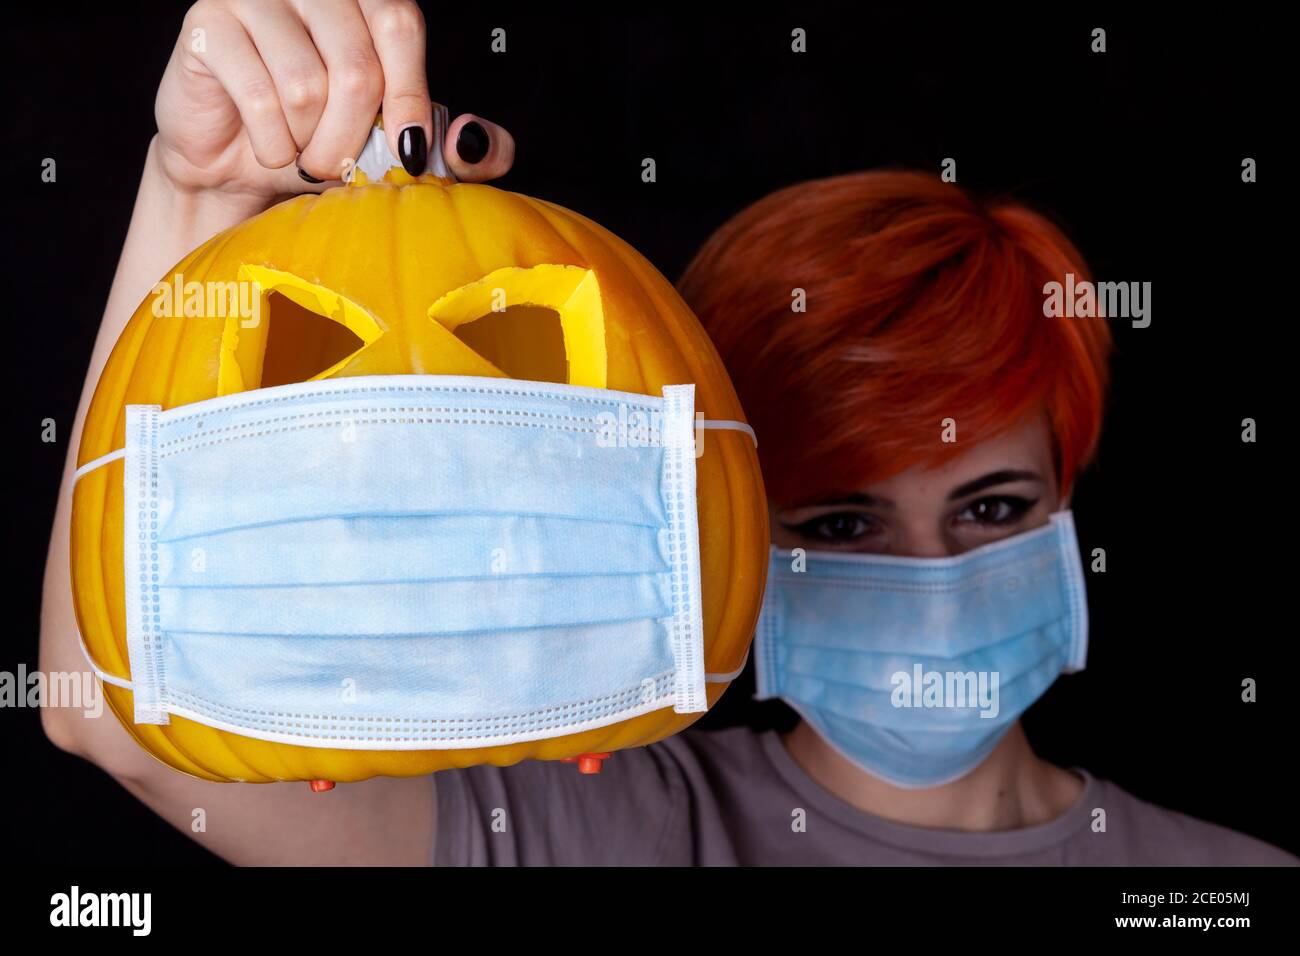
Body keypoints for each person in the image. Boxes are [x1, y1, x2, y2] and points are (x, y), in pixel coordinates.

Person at [39, 0, 1296, 866]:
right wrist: (201, 190)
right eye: (843, 519)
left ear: (1068, 489)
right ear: (725, 525)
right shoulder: (602, 832)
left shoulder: (1217, 880)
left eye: (993, 507)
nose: (929, 574)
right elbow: (109, 709)